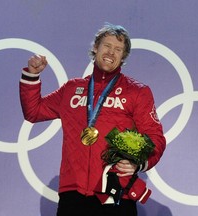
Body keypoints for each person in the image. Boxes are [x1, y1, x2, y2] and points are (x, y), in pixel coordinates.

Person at [19, 23, 166, 216]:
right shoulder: (71, 89)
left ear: (123, 57)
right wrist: (32, 75)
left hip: (115, 192)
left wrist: (137, 164)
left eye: (118, 49)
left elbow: (155, 138)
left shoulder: (137, 92)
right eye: (107, 46)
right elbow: (34, 111)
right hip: (73, 194)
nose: (111, 53)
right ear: (95, 47)